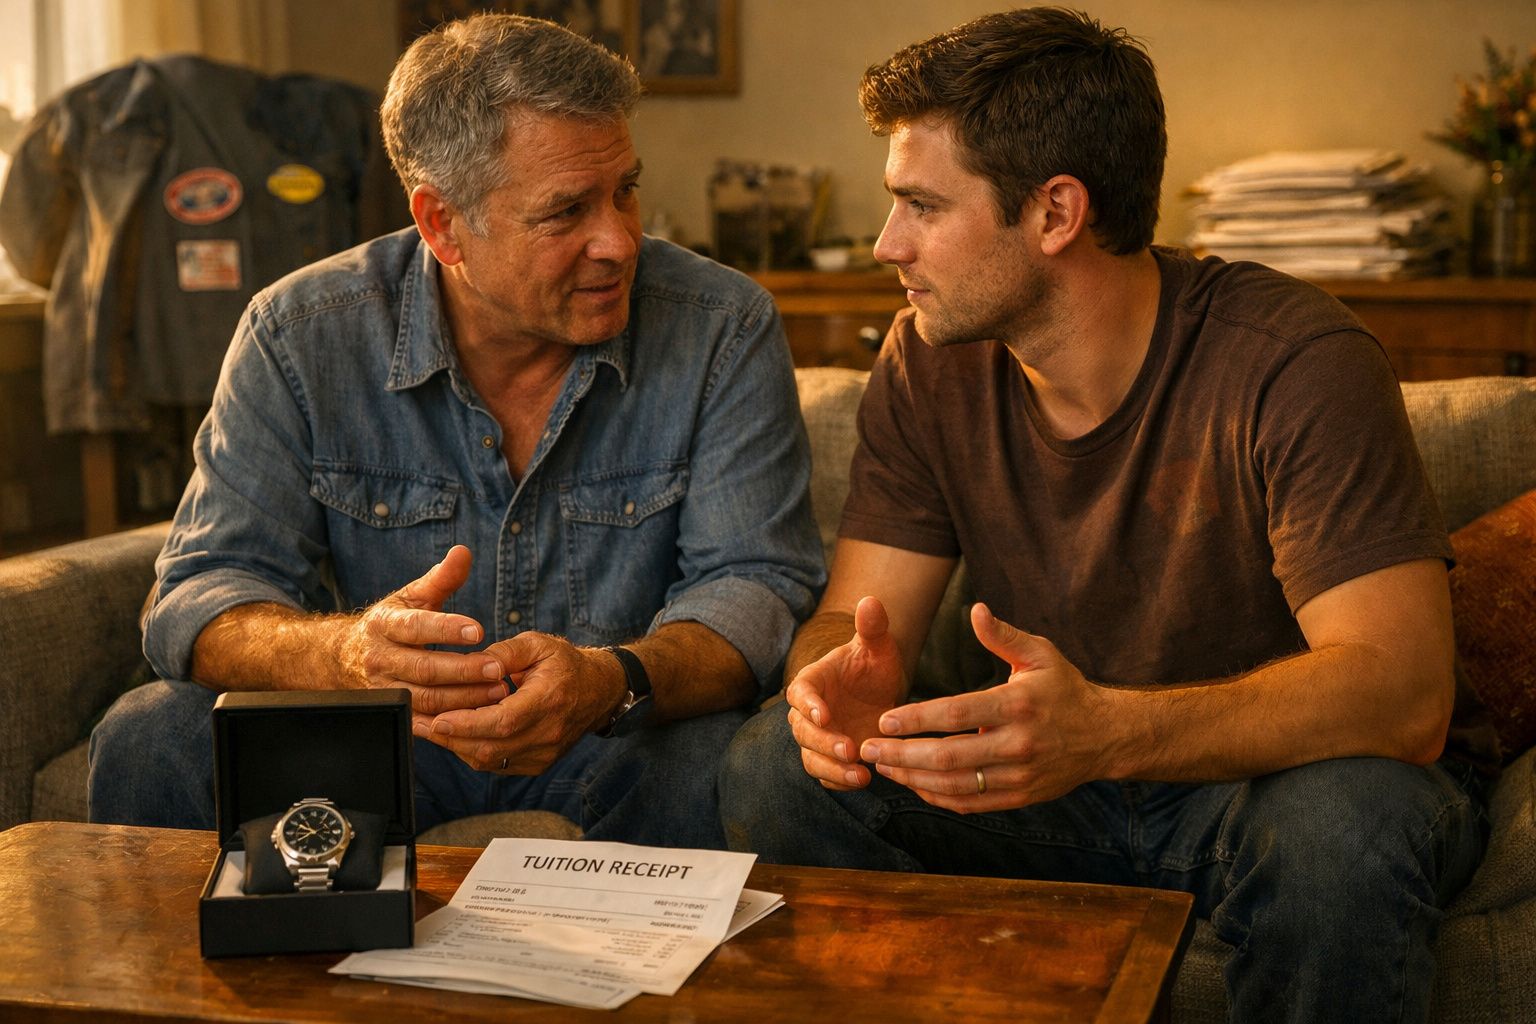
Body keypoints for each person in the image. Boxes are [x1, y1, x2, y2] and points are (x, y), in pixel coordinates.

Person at [718, 8, 1491, 1021]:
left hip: (1268, 785)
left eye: (921, 206)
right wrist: (833, 686)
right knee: (773, 768)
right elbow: (853, 620)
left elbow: (1403, 693)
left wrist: (1108, 733)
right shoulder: (928, 358)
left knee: (1341, 828)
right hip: (1052, 790)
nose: (885, 243)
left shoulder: (1296, 361)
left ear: (1056, 213)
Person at [88, 13, 824, 851]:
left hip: (615, 731)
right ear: (441, 225)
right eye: (566, 211)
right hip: (379, 734)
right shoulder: (299, 334)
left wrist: (610, 678)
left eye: (625, 189)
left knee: (726, 761)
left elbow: (756, 585)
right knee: (152, 735)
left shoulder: (722, 324)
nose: (619, 241)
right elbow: (201, 591)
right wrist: (347, 654)